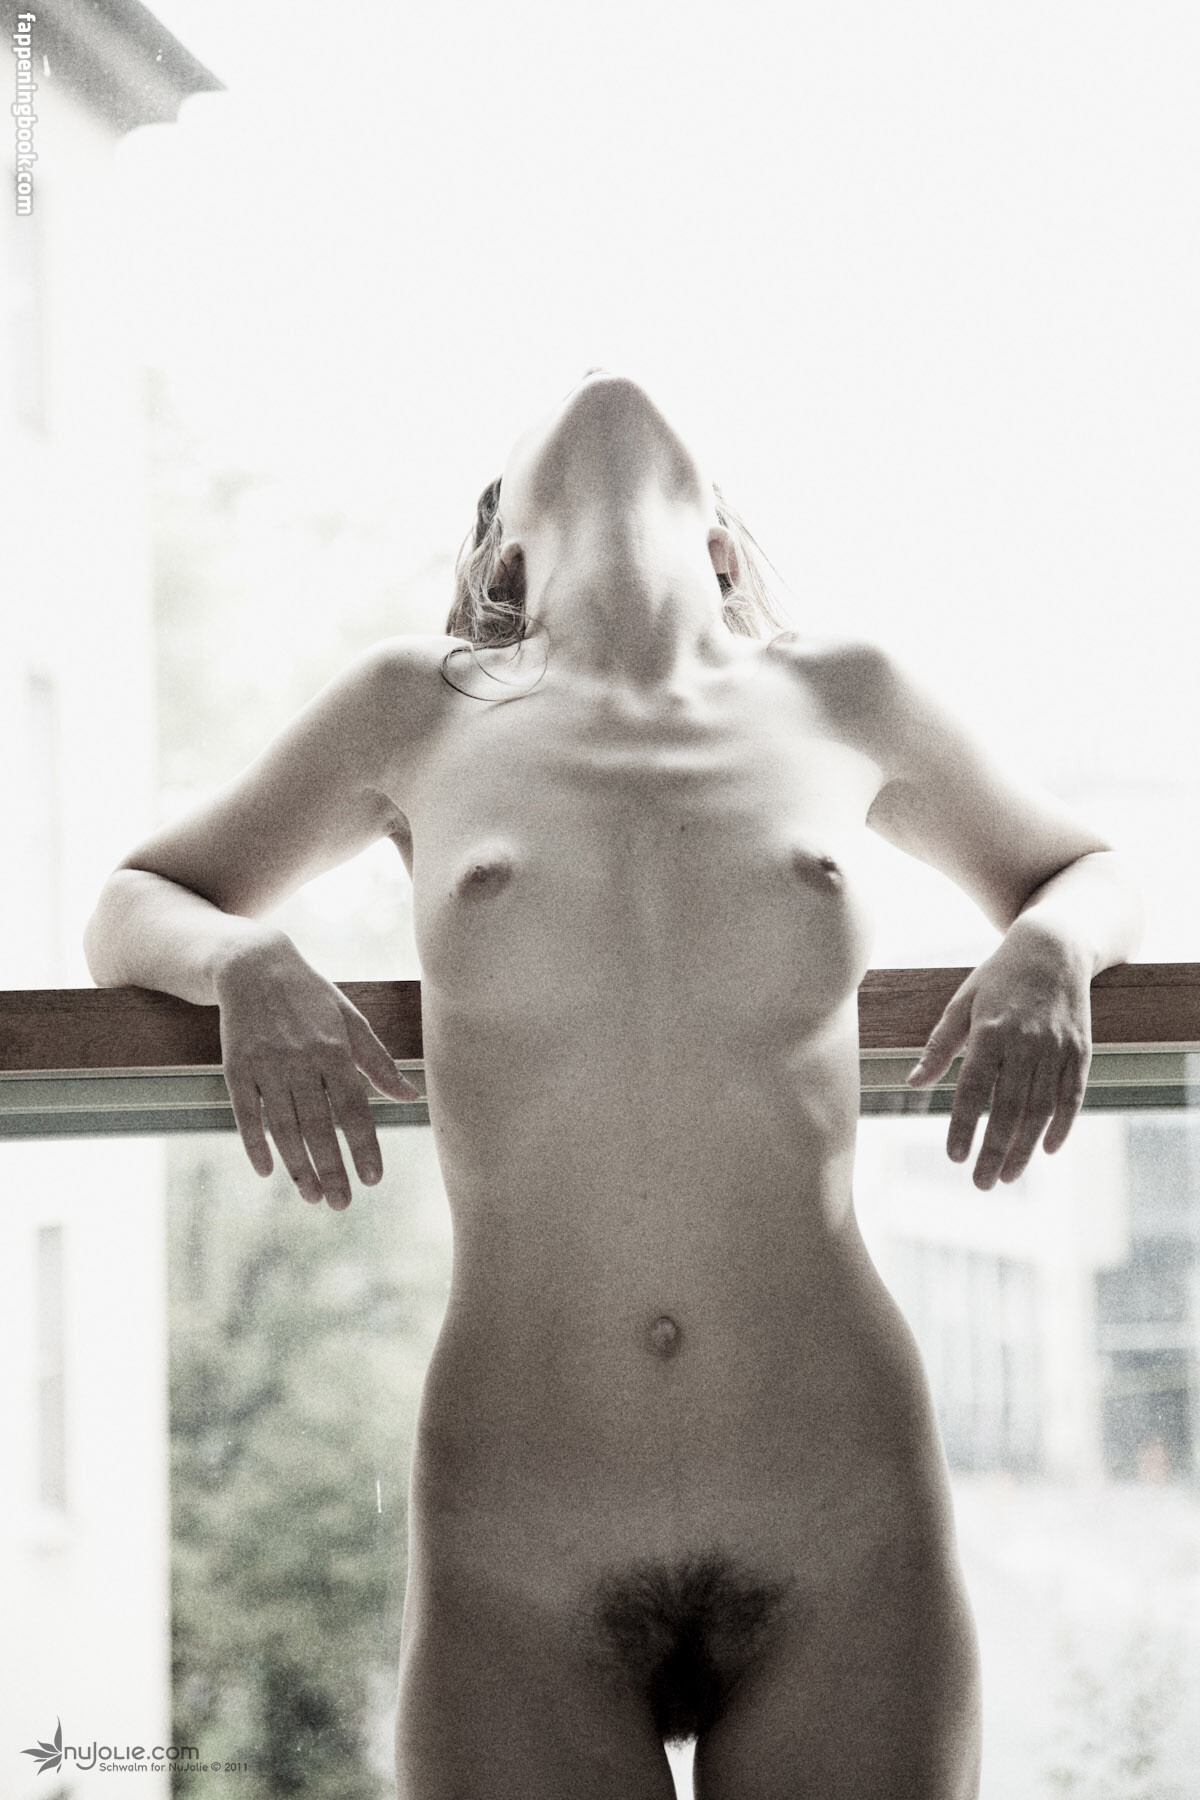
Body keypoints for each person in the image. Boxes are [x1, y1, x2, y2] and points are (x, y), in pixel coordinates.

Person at [84, 368, 1143, 1798]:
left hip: (838, 1509)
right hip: (520, 1538)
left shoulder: (844, 694)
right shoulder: (419, 707)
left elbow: (1090, 867)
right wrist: (245, 961)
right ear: (503, 565)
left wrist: (1052, 946)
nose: (603, 383)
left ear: (723, 548)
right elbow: (132, 906)